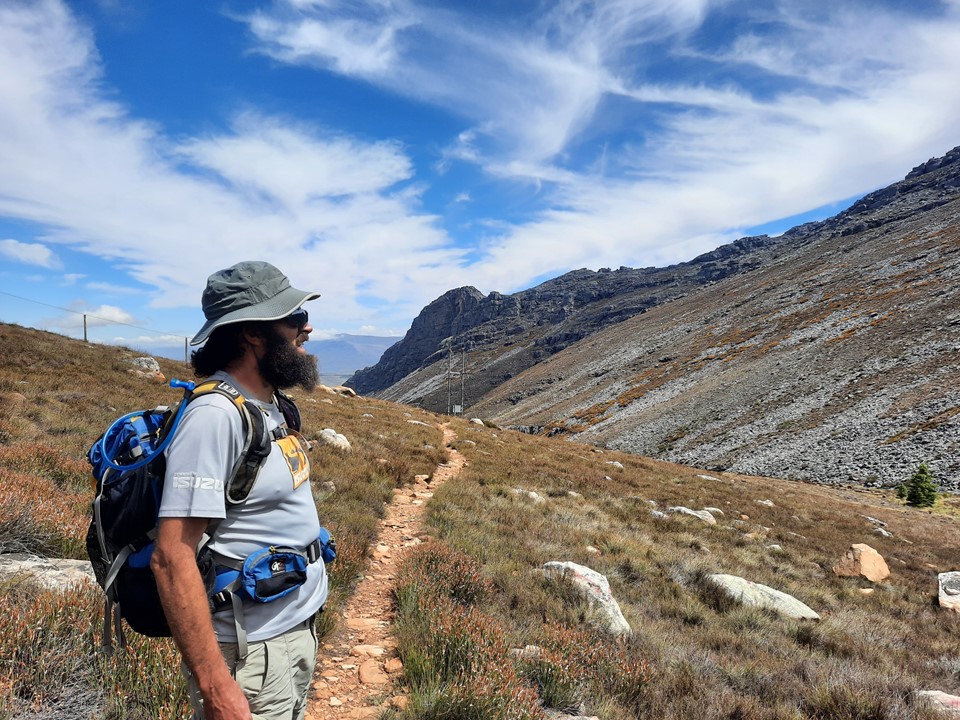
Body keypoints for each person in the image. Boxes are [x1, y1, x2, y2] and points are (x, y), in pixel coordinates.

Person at [151, 261, 328, 720]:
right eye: (293, 317)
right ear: (251, 333)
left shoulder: (269, 405)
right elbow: (171, 556)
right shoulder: (214, 416)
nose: (306, 327)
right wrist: (216, 687)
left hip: (292, 631)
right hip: (253, 653)